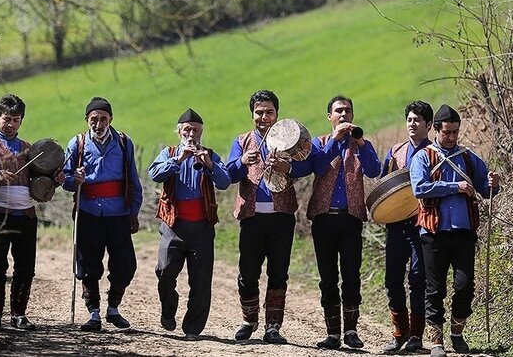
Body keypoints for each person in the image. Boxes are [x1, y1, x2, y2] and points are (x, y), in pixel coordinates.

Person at [410, 104, 500, 357]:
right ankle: (436, 342)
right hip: (433, 232)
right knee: (435, 288)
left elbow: (485, 188)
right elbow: (420, 188)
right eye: (447, 132)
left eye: (455, 132)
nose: (451, 137)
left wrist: (494, 183)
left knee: (465, 285)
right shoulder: (423, 157)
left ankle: (457, 333)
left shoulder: (469, 157)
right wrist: (455, 186)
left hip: (464, 231)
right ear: (436, 130)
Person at [0, 94, 64, 330]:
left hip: (26, 215)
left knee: (25, 266)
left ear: (21, 121)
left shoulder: (30, 150)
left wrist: (56, 180)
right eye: (6, 118)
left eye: (16, 119)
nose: (10, 124)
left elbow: (40, 183)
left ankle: (19, 315)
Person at [226, 89, 312, 344]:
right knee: (248, 272)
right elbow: (228, 175)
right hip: (251, 218)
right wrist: (242, 162)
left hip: (282, 217)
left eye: (269, 112)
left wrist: (290, 168)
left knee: (278, 273)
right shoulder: (242, 141)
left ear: (277, 114)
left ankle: (273, 326)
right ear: (252, 114)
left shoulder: (290, 139)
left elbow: (307, 165)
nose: (264, 117)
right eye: (259, 113)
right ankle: (248, 320)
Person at [148, 108, 231, 340]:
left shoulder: (210, 155)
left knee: (201, 281)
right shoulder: (170, 152)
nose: (191, 134)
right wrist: (179, 160)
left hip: (202, 229)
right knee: (164, 271)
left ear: (201, 132)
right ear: (179, 132)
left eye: (195, 130)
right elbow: (155, 174)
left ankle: (193, 328)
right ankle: (168, 311)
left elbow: (225, 182)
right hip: (173, 227)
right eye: (187, 130)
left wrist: (209, 165)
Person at [307, 95, 381, 350]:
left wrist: (360, 142)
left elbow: (374, 170)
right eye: (338, 111)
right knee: (327, 278)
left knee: (351, 276)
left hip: (350, 219)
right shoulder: (319, 143)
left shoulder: (361, 145)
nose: (343, 115)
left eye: (348, 111)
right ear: (329, 116)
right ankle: (332, 334)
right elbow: (315, 166)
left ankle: (351, 331)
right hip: (323, 219)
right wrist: (335, 141)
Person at [63, 96, 143, 332]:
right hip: (88, 213)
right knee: (88, 264)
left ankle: (114, 308)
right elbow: (64, 179)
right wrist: (73, 179)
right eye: (94, 119)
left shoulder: (123, 142)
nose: (98, 124)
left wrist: (134, 212)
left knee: (125, 264)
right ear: (86, 119)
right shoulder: (76, 144)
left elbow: (134, 181)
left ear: (111, 119)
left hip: (118, 214)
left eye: (103, 119)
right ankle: (94, 312)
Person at [381, 101, 433, 353]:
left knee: (418, 279)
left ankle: (417, 336)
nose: (412, 124)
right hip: (395, 226)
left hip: (423, 227)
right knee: (392, 279)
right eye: (409, 119)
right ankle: (399, 332)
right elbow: (384, 186)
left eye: (418, 120)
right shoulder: (395, 151)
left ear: (429, 125)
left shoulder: (436, 152)